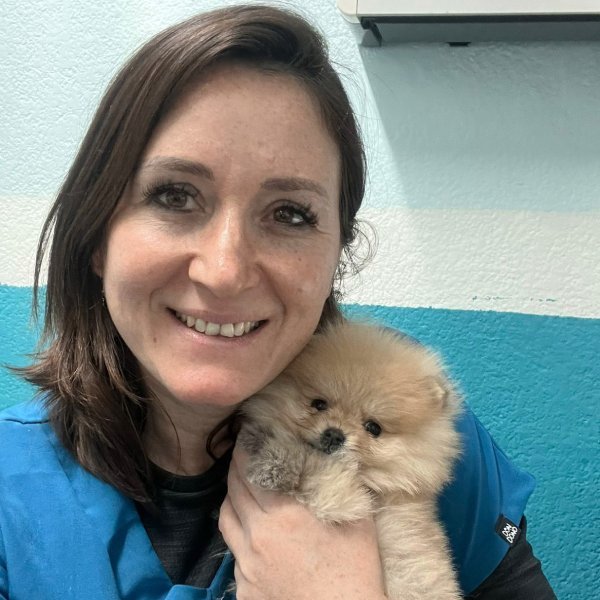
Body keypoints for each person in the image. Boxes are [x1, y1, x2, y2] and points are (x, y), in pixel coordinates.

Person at [0, 4, 556, 599]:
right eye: (174, 196)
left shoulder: (423, 441)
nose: (224, 272)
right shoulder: (15, 496)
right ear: (96, 237)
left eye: (289, 214)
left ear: (337, 255)